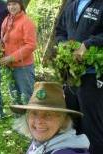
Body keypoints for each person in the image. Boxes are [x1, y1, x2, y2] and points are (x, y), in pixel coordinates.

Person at [55, 0, 103, 153]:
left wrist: (88, 44)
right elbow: (60, 30)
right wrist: (64, 44)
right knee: (72, 122)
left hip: (93, 74)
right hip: (71, 74)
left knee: (92, 126)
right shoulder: (71, 3)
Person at [10, 82, 90, 154]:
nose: (39, 120)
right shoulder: (39, 144)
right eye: (34, 113)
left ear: (64, 120)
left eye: (48, 114)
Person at [0, 0, 36, 105]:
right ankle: (18, 120)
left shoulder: (26, 22)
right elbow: (3, 40)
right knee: (15, 97)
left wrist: (12, 57)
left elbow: (31, 45)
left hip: (23, 67)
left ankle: (30, 121)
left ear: (20, 5)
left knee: (27, 97)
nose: (12, 7)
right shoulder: (6, 20)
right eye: (9, 4)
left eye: (14, 4)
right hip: (9, 67)